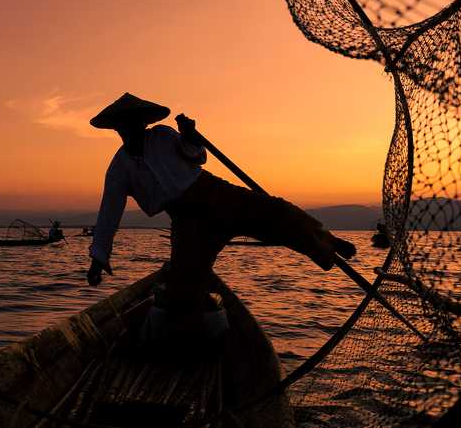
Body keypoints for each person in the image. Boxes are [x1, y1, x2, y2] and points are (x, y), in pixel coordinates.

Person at [86, 92, 355, 357]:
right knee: (183, 293)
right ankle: (183, 350)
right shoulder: (119, 169)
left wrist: (190, 136)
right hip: (187, 221)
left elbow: (196, 155)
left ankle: (326, 241)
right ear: (116, 128)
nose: (131, 127)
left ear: (144, 122)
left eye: (136, 121)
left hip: (217, 194)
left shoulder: (163, 135)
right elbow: (108, 216)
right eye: (124, 123)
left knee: (279, 211)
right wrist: (98, 257)